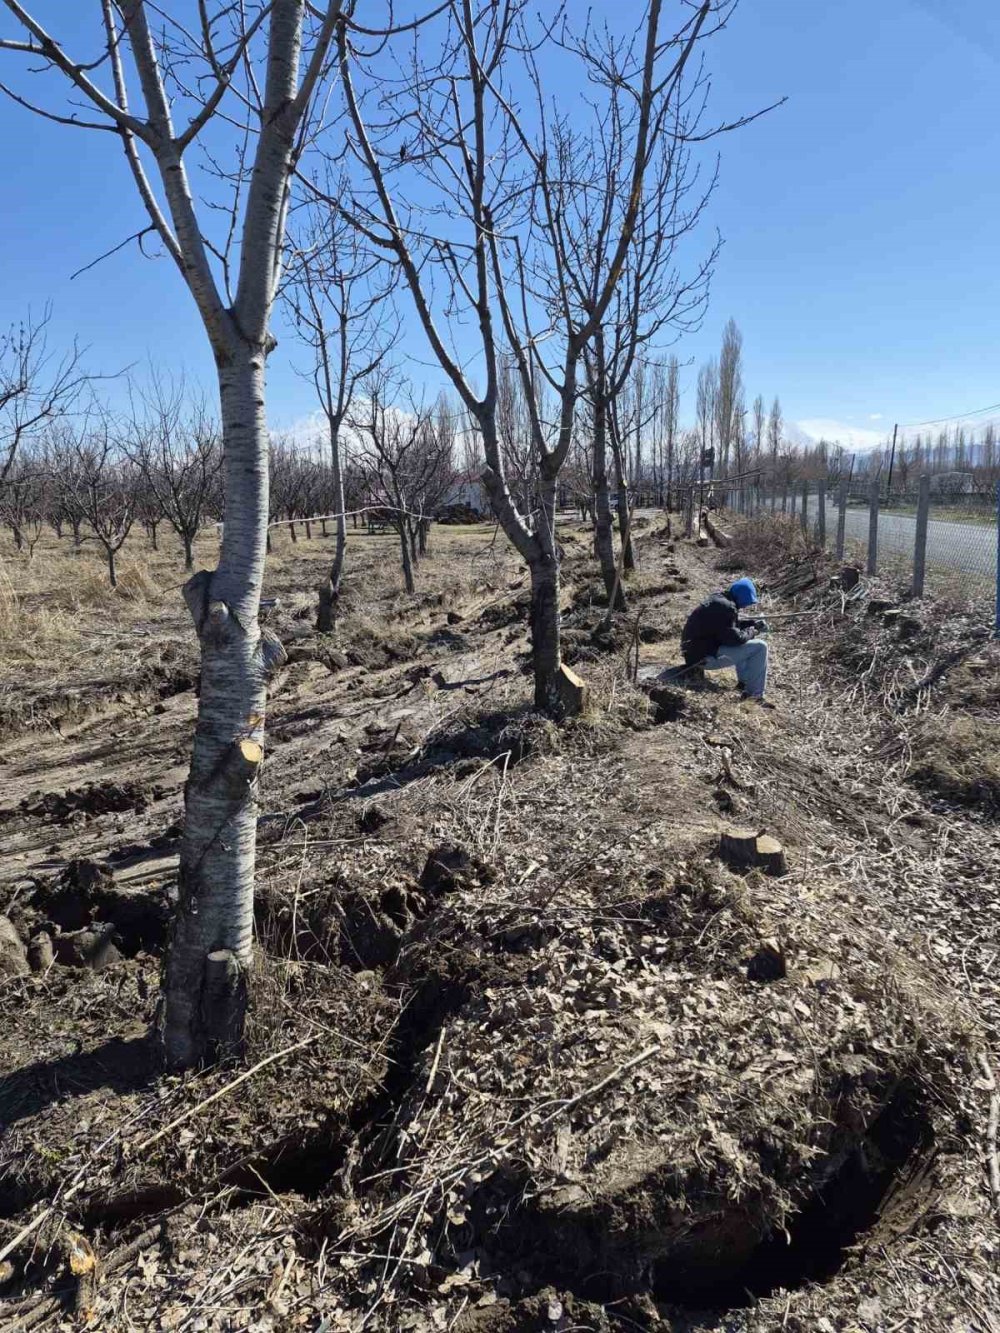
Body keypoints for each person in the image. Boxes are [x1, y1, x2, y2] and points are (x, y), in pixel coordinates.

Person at [680, 576, 771, 703]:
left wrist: (751, 623)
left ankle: (743, 685)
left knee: (747, 642)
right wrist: (754, 631)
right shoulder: (727, 607)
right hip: (703, 659)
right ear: (742, 597)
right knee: (760, 647)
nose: (746, 605)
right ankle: (754, 696)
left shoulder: (719, 600)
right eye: (747, 601)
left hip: (694, 654)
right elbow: (736, 639)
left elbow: (727, 626)